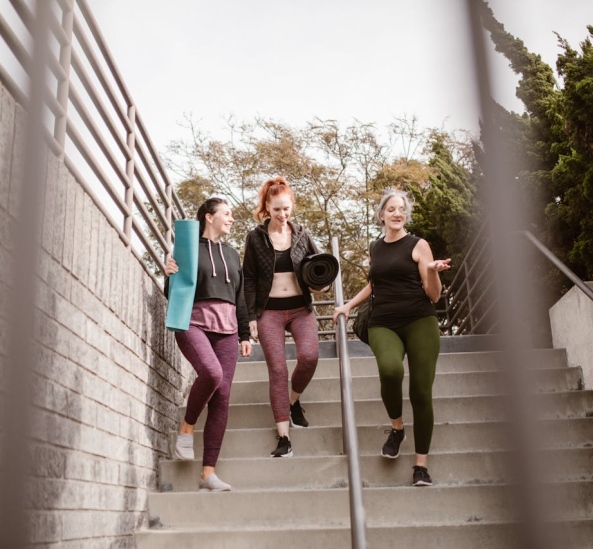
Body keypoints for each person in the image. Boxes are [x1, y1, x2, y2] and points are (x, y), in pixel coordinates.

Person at [333, 188, 451, 486]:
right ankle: (397, 428)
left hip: (419, 320)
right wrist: (348, 305)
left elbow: (433, 296)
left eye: (402, 209)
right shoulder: (376, 247)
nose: (398, 213)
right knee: (390, 370)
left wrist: (434, 271)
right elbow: (374, 284)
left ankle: (420, 465)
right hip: (383, 321)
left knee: (421, 393)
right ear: (382, 215)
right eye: (392, 209)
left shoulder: (418, 245)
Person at [164, 197, 252, 492]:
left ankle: (208, 473)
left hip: (227, 329)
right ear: (209, 217)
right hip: (194, 323)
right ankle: (187, 427)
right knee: (212, 375)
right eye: (227, 214)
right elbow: (174, 290)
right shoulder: (188, 249)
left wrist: (244, 334)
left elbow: (240, 297)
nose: (231, 219)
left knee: (222, 396)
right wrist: (169, 272)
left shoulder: (233, 254)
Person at [243, 177, 330, 458]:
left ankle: (293, 401)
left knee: (309, 357)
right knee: (278, 370)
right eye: (277, 209)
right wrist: (252, 317)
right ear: (267, 207)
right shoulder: (255, 237)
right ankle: (283, 438)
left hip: (300, 310)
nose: (282, 215)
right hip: (269, 312)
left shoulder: (303, 235)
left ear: (292, 206)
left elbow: (321, 269)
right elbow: (250, 279)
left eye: (286, 209)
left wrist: (323, 284)